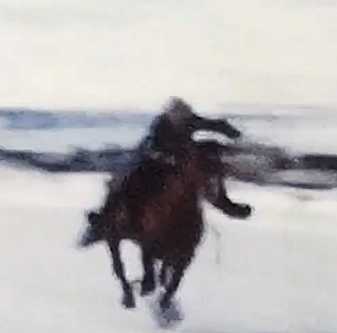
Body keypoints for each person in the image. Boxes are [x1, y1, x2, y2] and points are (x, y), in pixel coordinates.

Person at [85, 98, 242, 239]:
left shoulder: (191, 120)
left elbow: (211, 124)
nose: (180, 121)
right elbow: (150, 147)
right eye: (177, 118)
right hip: (152, 162)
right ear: (169, 116)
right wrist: (165, 157)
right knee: (124, 181)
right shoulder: (159, 126)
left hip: (179, 158)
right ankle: (103, 219)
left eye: (183, 117)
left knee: (212, 167)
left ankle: (224, 202)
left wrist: (228, 130)